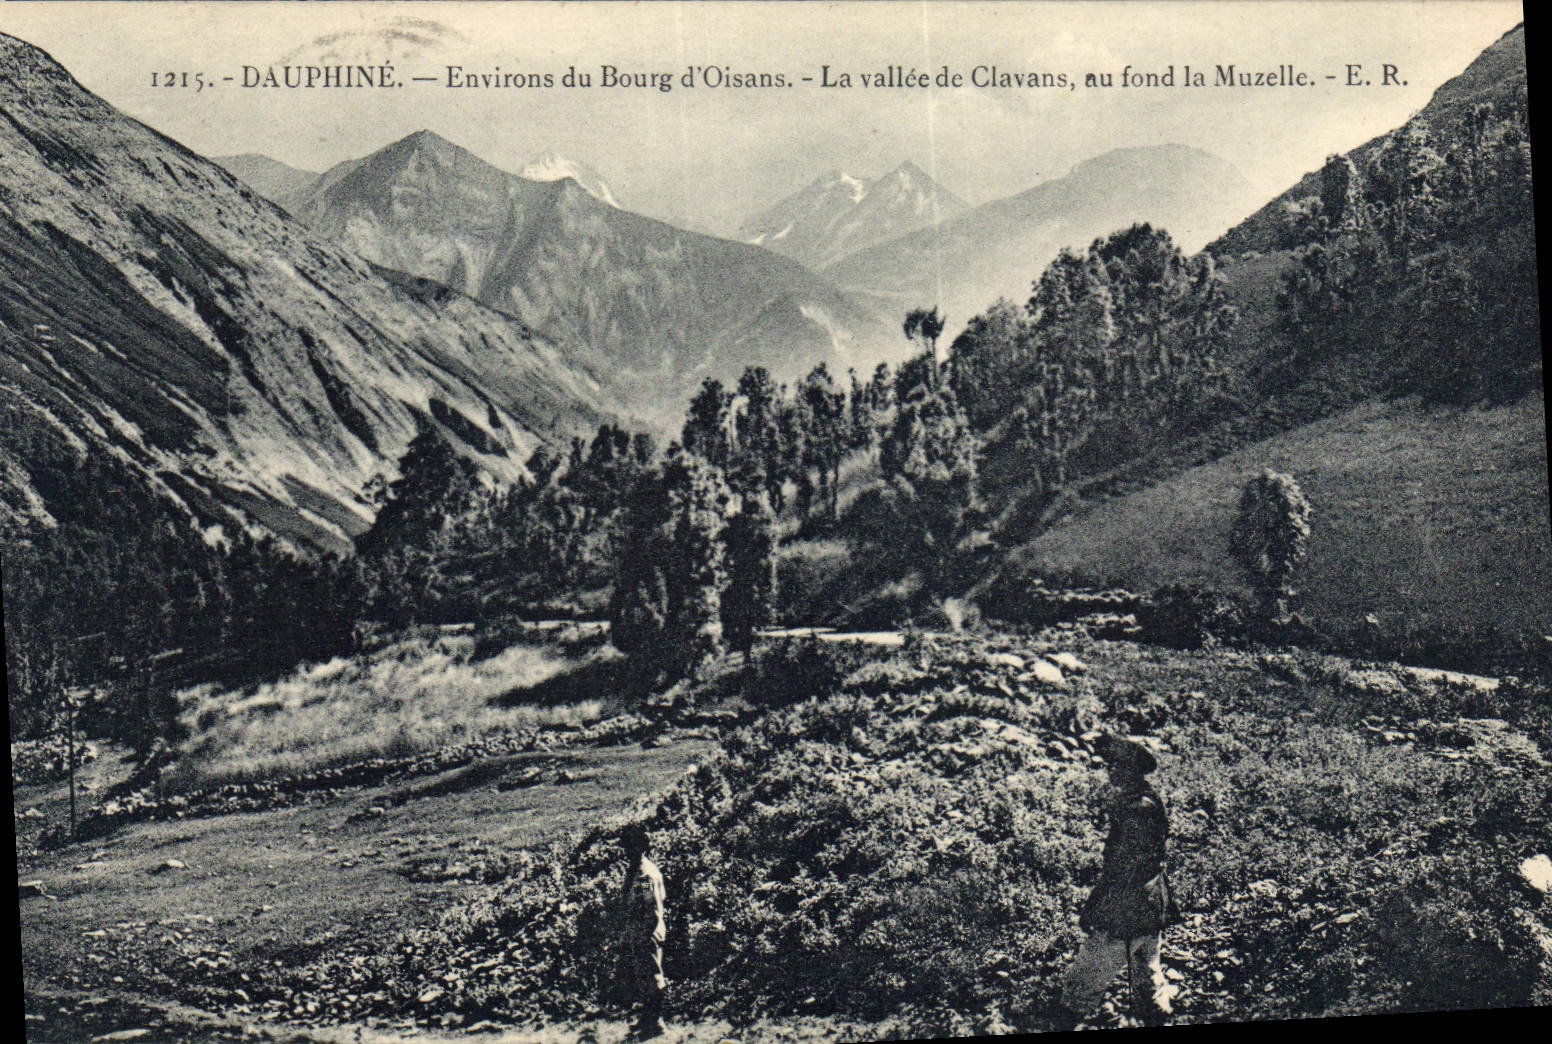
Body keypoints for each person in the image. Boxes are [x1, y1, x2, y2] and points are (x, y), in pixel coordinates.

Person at [1059, 733, 1178, 1028]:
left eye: (1117, 766)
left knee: (1082, 980)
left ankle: (1065, 1019)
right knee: (1146, 968)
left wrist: (1096, 904)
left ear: (1130, 771)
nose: (1110, 771)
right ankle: (1157, 1015)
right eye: (1110, 765)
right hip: (1150, 898)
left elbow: (1124, 867)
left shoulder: (1137, 809)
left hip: (1130, 901)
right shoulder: (1144, 800)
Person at [614, 824, 668, 1039]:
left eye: (630, 846)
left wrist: (646, 935)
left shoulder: (646, 875)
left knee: (652, 977)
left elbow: (652, 908)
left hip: (647, 931)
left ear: (640, 847)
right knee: (643, 977)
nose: (627, 851)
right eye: (626, 847)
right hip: (638, 931)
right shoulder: (636, 870)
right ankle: (649, 1019)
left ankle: (657, 1023)